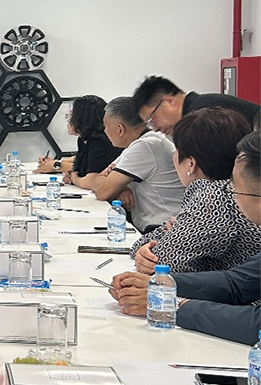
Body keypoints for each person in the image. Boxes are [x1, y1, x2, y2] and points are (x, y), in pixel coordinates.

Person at [112, 130, 261, 345]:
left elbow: (256, 324)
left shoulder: (212, 197)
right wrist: (161, 285)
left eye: (236, 189)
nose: (232, 196)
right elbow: (237, 283)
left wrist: (172, 306)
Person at [121, 108, 259, 274]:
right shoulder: (233, 189)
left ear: (191, 164)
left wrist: (157, 242)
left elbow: (164, 264)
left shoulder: (214, 197)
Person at [86, 97, 184, 233]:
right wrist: (119, 188)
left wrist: (114, 186)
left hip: (163, 228)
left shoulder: (146, 145)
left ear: (120, 129)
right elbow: (96, 181)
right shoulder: (144, 141)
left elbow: (102, 192)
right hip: (160, 224)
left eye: (106, 126)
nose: (105, 131)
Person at [133, 75, 261, 136]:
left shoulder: (202, 116)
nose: (155, 129)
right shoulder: (201, 104)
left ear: (169, 101)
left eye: (152, 119)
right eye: (149, 125)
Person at [59, 95, 123, 186]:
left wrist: (74, 179)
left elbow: (91, 182)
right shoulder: (83, 140)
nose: (68, 119)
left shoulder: (98, 141)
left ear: (83, 118)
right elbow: (78, 171)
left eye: (71, 115)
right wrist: (70, 175)